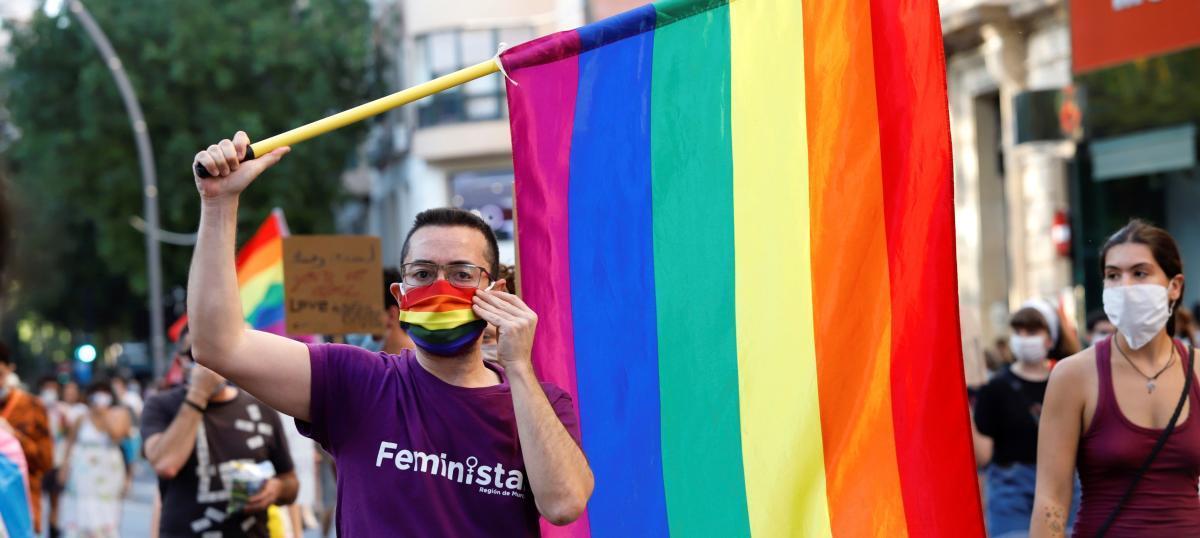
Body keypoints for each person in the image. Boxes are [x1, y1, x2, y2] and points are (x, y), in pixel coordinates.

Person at [188, 132, 593, 536]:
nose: (440, 287)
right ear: (399, 296)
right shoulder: (355, 381)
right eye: (422, 274)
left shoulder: (542, 404)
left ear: (496, 293)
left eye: (461, 274)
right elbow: (218, 344)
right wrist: (219, 203)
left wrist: (519, 367)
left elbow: (563, 504)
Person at [1033, 220, 1200, 536]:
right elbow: (1050, 500)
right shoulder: (1073, 376)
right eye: (1113, 275)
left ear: (1174, 286)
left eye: (1139, 273)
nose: (1124, 286)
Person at [142, 327, 299, 537]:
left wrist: (278, 488)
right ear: (180, 361)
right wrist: (198, 392)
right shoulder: (160, 406)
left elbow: (291, 483)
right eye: (195, 354)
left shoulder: (261, 409)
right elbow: (166, 465)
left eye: (215, 352)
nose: (207, 363)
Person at [973, 307, 1076, 536]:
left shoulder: (1069, 382)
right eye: (1018, 331)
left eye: (1032, 331)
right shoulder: (995, 388)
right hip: (1011, 489)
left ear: (1050, 339)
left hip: (1064, 484)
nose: (1024, 338)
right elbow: (983, 456)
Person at [58, 381, 130, 538]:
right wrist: (64, 467)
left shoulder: (119, 413)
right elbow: (70, 443)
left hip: (109, 471)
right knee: (81, 508)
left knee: (106, 509)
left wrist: (103, 414)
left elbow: (117, 435)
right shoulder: (81, 417)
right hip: (82, 471)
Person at [0, 343, 52, 535]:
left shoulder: (32, 407)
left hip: (20, 509)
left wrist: (14, 436)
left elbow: (45, 461)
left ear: (10, 370)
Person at [346, 266, 415, 354]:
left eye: (367, 312)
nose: (359, 319)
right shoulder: (375, 359)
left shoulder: (418, 364)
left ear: (391, 315)